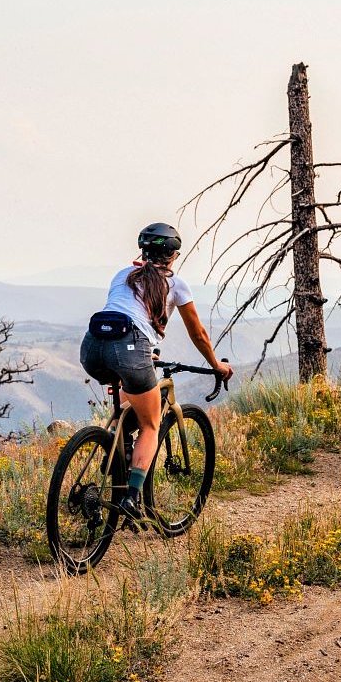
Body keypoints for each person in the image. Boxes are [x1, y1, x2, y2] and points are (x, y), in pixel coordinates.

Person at [80, 222, 233, 518]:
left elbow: (125, 315)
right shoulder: (175, 284)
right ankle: (132, 498)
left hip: (92, 349)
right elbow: (198, 333)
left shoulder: (122, 275)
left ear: (143, 250)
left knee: (127, 409)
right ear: (173, 255)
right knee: (150, 424)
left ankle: (113, 454)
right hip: (130, 350)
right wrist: (216, 365)